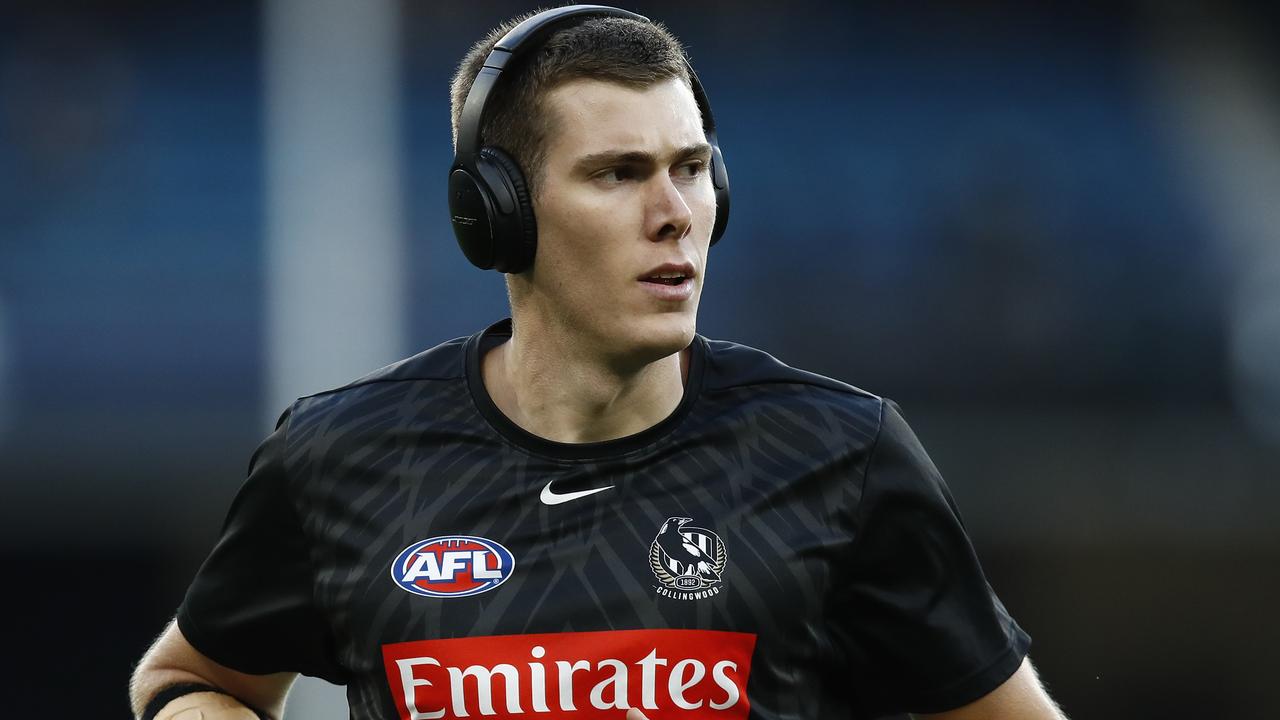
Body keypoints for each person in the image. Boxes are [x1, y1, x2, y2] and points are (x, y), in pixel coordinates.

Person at [130, 6, 1068, 720]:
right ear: (497, 212)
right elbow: (188, 681)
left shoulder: (839, 451)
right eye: (618, 173)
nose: (675, 213)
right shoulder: (342, 455)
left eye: (692, 168)